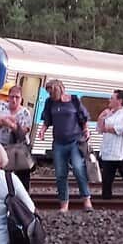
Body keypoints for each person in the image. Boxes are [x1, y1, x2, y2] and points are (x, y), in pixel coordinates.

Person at [37, 79, 94, 213]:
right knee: (60, 174)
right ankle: (64, 204)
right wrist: (43, 130)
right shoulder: (50, 102)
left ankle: (87, 200)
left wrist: (86, 129)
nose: (50, 95)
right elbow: (47, 119)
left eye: (52, 92)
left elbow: (83, 117)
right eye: (49, 93)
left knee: (78, 168)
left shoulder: (74, 100)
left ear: (59, 90)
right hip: (59, 142)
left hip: (75, 141)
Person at [0, 84, 33, 190]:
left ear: (21, 98)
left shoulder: (25, 113)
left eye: (17, 97)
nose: (14, 100)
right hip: (2, 145)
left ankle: (23, 195)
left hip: (19, 148)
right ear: (8, 97)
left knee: (22, 176)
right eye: (12, 97)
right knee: (1, 172)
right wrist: (4, 120)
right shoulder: (1, 107)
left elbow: (25, 131)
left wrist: (13, 126)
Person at [96, 89, 123, 201]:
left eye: (112, 98)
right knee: (106, 181)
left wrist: (107, 128)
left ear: (119, 100)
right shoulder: (109, 113)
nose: (109, 100)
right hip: (108, 151)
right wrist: (101, 117)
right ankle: (106, 202)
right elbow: (99, 129)